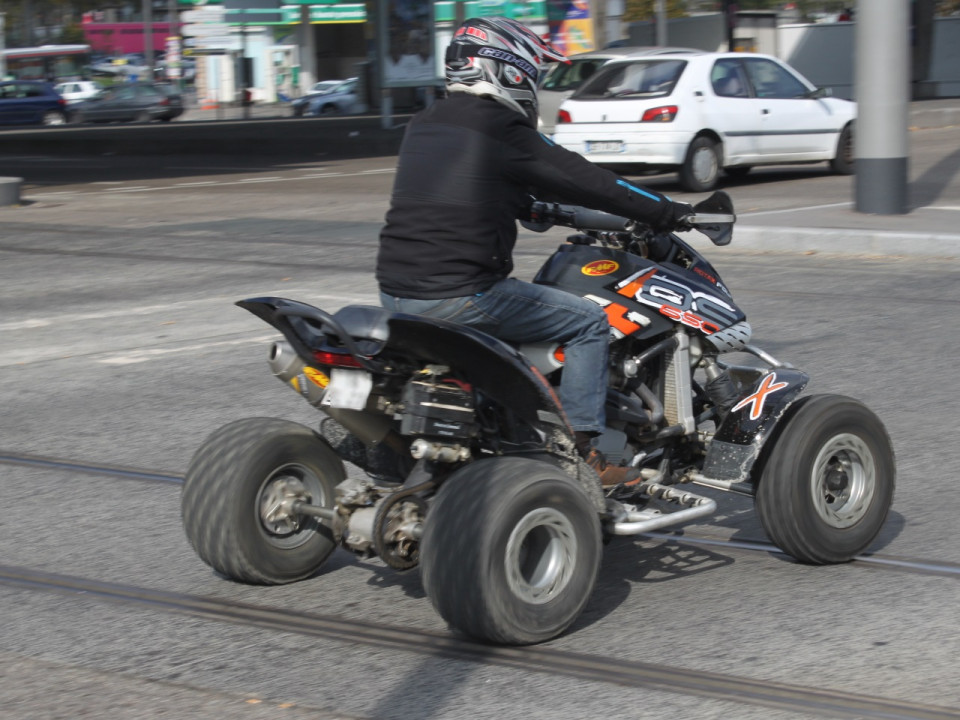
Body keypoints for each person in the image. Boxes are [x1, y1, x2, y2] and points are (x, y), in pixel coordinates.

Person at [376, 16, 693, 486]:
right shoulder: (503, 127)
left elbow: (464, 187)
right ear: (507, 71)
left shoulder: (425, 123)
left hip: (395, 292)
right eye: (532, 73)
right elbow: (591, 182)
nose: (533, 83)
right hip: (461, 293)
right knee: (588, 322)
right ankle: (583, 454)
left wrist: (532, 207)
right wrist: (668, 212)